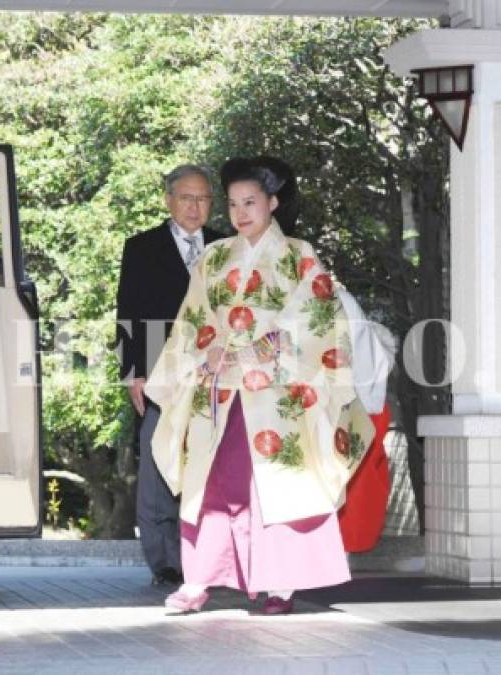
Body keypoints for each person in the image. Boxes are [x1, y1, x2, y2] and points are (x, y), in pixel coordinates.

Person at [144, 158, 375, 615]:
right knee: (212, 481)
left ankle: (280, 582)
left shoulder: (298, 255)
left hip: (278, 393)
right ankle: (199, 578)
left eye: (250, 202)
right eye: (232, 204)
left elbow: (319, 319)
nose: (240, 213)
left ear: (272, 203)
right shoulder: (214, 257)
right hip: (221, 390)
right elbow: (192, 320)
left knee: (275, 481)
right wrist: (202, 352)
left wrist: (265, 348)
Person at [115, 165, 225, 586]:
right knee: (160, 460)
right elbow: (128, 312)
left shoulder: (225, 246)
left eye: (203, 199)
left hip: (214, 373)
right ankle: (163, 558)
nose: (195, 207)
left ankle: (208, 554)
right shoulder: (141, 247)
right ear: (168, 199)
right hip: (161, 372)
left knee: (209, 462)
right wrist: (134, 374)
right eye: (186, 198)